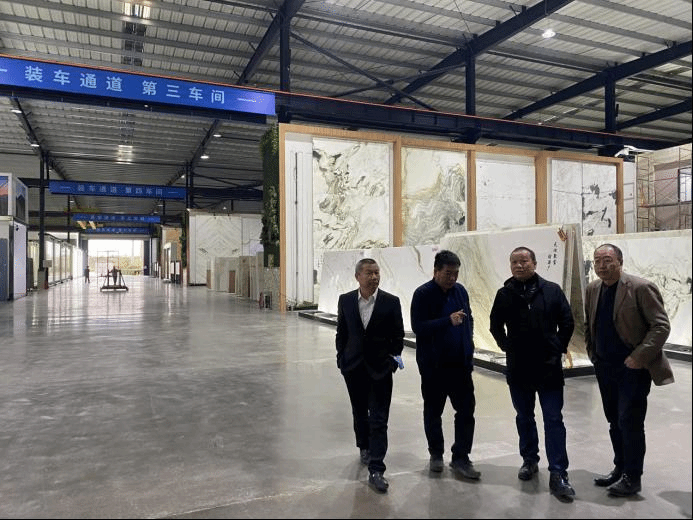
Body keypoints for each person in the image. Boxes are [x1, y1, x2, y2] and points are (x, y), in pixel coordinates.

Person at [584, 243, 674, 497]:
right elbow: (589, 323)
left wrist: (639, 357)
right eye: (597, 260)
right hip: (604, 366)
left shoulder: (641, 288)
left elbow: (661, 326)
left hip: (632, 369)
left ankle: (633, 477)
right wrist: (592, 352)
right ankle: (620, 468)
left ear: (620, 262)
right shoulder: (593, 289)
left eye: (607, 260)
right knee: (614, 420)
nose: (601, 265)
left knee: (630, 421)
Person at [489, 246, 575, 499]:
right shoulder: (504, 293)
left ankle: (558, 472)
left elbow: (567, 321)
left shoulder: (552, 290)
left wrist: (557, 346)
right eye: (514, 262)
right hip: (519, 367)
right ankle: (529, 460)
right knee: (524, 416)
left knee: (553, 419)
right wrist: (507, 346)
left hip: (548, 367)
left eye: (524, 261)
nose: (519, 265)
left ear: (535, 263)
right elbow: (495, 325)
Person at [335, 258, 405, 493]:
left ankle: (377, 468)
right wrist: (341, 359)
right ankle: (363, 446)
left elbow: (398, 336)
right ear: (358, 276)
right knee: (359, 413)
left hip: (380, 369)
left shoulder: (391, 302)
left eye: (377, 273)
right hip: (353, 368)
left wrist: (392, 361)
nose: (374, 277)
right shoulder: (345, 300)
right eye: (369, 273)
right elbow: (342, 332)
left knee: (379, 419)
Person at [410, 250, 481, 480]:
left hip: (460, 365)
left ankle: (461, 457)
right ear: (436, 271)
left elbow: (468, 321)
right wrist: (447, 321)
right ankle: (436, 454)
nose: (452, 278)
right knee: (433, 412)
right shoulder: (422, 294)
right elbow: (418, 327)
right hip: (434, 366)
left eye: (456, 273)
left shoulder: (460, 291)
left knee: (466, 411)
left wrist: (469, 350)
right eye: (448, 273)